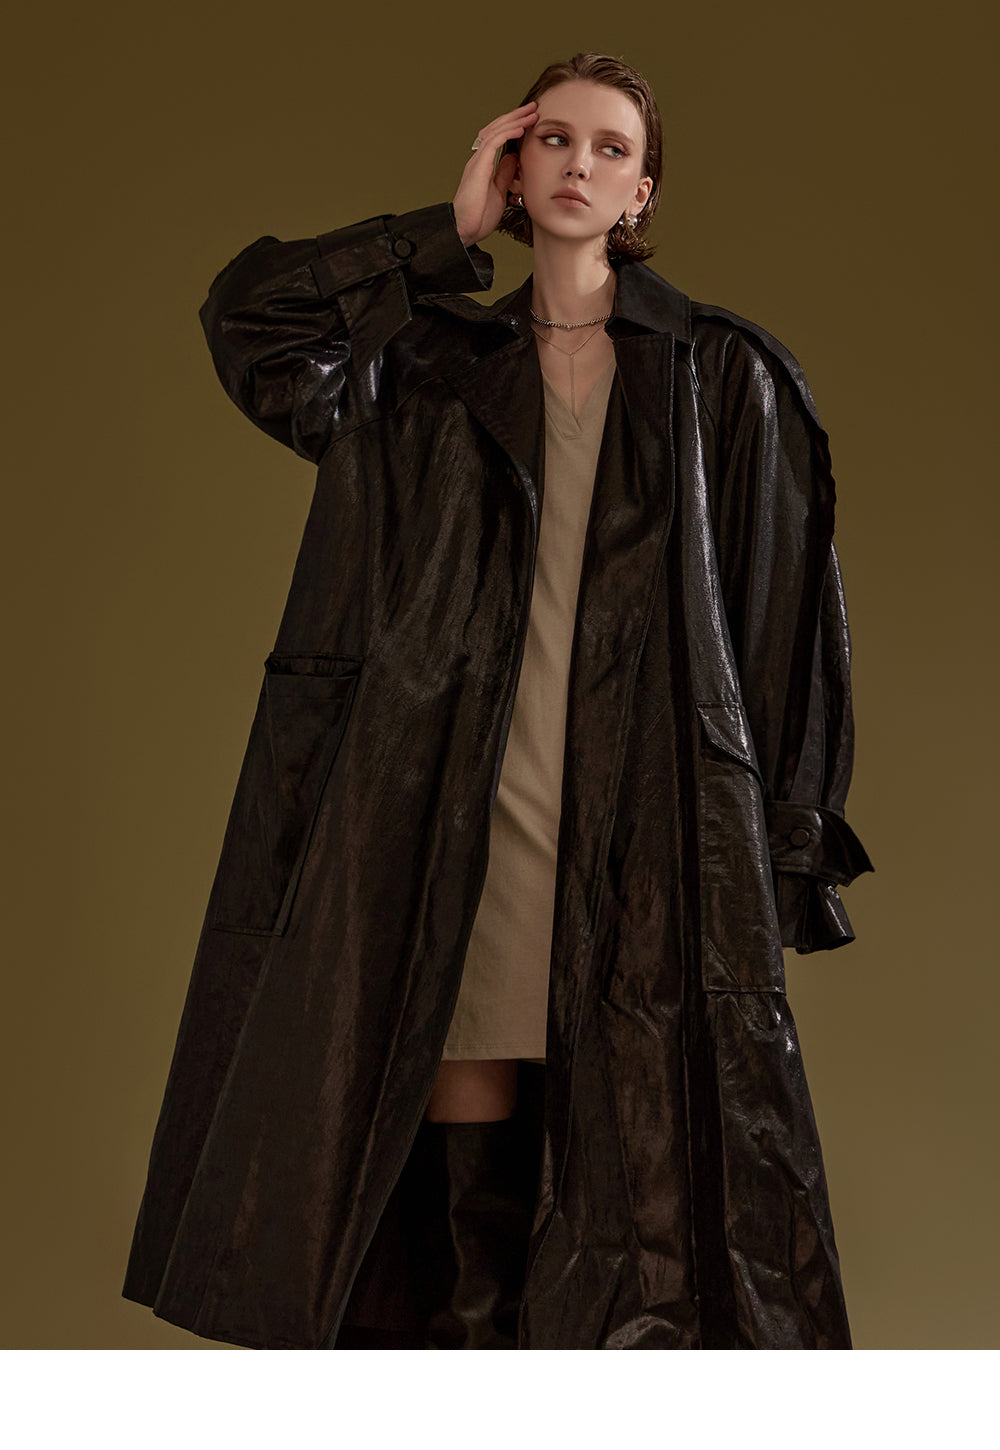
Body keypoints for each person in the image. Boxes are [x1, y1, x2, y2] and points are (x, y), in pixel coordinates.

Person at [122, 53, 873, 1350]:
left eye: (610, 147)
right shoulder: (423, 365)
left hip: (650, 814)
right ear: (514, 168)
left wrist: (781, 847)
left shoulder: (724, 377)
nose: (580, 164)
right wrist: (440, 232)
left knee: (633, 1147)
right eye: (551, 139)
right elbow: (251, 323)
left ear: (643, 190)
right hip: (455, 792)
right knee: (459, 1108)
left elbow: (787, 630)